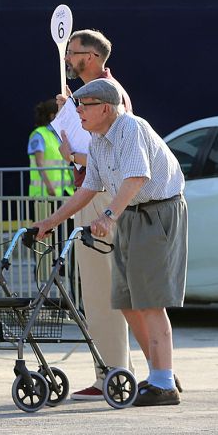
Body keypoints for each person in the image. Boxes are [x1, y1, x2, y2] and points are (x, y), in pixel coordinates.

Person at [30, 77, 188, 406]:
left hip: (156, 211)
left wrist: (108, 216)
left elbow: (137, 177)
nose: (78, 114)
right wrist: (50, 222)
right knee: (127, 300)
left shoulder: (129, 128)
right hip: (132, 212)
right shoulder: (98, 138)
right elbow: (89, 189)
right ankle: (157, 374)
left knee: (150, 300)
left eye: (83, 108)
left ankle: (163, 383)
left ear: (105, 108)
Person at [49, 28, 135, 401]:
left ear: (95, 58)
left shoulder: (108, 96)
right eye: (68, 51)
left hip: (100, 198)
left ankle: (113, 375)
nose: (68, 57)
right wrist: (70, 113)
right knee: (106, 292)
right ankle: (122, 371)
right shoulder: (92, 97)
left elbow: (112, 156)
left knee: (103, 292)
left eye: (75, 52)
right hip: (96, 195)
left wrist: (72, 155)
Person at [27, 99, 71, 198]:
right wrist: (49, 187)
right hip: (44, 194)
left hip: (64, 192)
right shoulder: (39, 134)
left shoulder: (59, 134)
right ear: (52, 116)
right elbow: (39, 162)